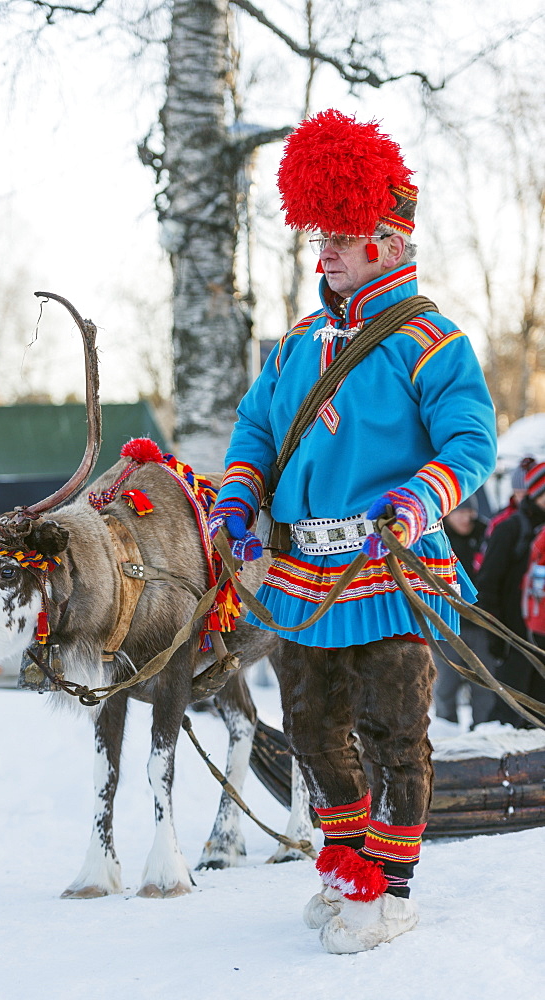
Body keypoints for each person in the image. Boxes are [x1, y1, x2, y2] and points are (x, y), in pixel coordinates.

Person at [208, 110, 497, 953]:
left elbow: (472, 440)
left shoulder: (432, 341)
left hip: (393, 568)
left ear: (389, 240)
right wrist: (237, 499)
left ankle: (392, 888)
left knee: (393, 730)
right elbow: (255, 434)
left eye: (339, 235)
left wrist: (418, 500)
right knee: (308, 726)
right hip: (304, 575)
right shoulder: (297, 343)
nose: (322, 251)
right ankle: (345, 866)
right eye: (319, 235)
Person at [477, 461, 545, 727]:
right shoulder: (511, 528)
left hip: (541, 637)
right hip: (514, 638)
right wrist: (496, 632)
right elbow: (488, 583)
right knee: (509, 712)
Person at [432, 496, 496, 727]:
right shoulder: (436, 538)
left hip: (480, 623)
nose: (466, 518)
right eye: (459, 512)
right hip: (447, 625)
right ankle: (446, 729)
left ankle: (484, 729)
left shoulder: (485, 535)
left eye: (470, 512)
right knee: (445, 683)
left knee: (484, 684)